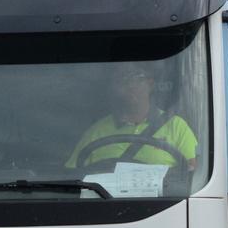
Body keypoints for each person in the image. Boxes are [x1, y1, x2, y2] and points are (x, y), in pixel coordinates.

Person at [66, 63, 197, 170]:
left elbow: (193, 171)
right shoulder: (96, 131)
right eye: (122, 80)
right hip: (104, 196)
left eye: (136, 77)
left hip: (167, 195)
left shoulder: (175, 126)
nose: (130, 85)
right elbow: (72, 175)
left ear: (150, 83)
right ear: (114, 88)